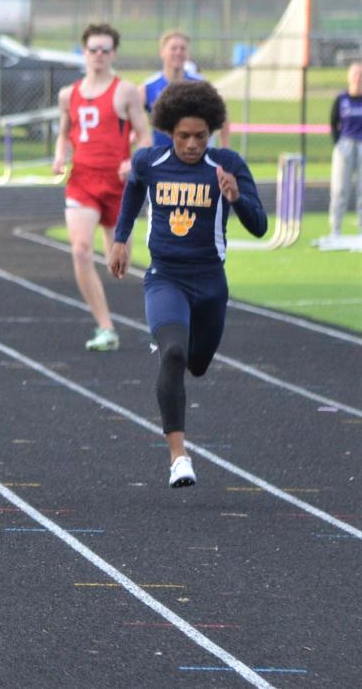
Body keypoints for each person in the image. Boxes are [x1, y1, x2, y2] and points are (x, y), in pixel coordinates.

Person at [108, 80, 267, 488]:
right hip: (165, 277)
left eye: (200, 136)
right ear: (168, 131)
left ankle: (172, 343)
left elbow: (260, 226)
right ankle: (179, 457)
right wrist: (121, 238)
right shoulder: (150, 161)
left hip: (211, 282)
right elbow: (133, 189)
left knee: (196, 364)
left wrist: (234, 197)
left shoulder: (227, 163)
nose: (192, 144)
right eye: (183, 136)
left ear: (211, 131)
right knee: (174, 354)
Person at [52, 23, 152, 352]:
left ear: (114, 54)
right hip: (82, 180)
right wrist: (59, 158)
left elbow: (146, 136)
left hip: (118, 182)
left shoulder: (126, 92)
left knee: (118, 264)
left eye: (104, 50)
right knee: (80, 250)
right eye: (93, 49)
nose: (98, 55)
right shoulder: (69, 94)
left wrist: (134, 162)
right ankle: (105, 326)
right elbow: (65, 132)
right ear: (84, 52)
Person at [142, 30, 231, 148]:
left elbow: (223, 117)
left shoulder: (200, 85)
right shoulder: (148, 87)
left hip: (194, 157)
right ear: (162, 52)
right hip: (162, 158)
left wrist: (225, 149)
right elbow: (132, 120)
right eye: (173, 48)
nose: (178, 52)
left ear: (188, 54)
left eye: (183, 48)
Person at [328, 61, 362, 238]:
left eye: (361, 74)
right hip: (346, 144)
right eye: (355, 74)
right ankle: (335, 229)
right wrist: (338, 143)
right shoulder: (341, 99)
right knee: (340, 188)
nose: (358, 78)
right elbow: (333, 122)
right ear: (349, 77)